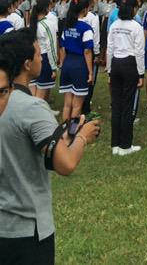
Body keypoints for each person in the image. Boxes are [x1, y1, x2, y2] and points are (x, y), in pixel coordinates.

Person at [0, 30, 100, 262]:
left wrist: (63, 137)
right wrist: (83, 136)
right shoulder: (31, 107)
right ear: (27, 64)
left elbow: (34, 147)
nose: (42, 58)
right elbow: (65, 164)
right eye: (38, 53)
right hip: (27, 231)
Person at [106, 0, 145, 156]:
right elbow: (139, 52)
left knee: (117, 104)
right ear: (133, 8)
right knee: (127, 105)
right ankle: (125, 146)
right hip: (130, 65)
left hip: (115, 63)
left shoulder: (114, 25)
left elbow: (109, 49)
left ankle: (115, 144)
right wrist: (141, 74)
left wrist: (109, 70)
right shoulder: (136, 27)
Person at [58, 0, 94, 122]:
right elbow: (87, 51)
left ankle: (63, 131)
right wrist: (90, 72)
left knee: (67, 104)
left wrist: (63, 63)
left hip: (67, 63)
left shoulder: (67, 25)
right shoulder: (86, 28)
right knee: (77, 105)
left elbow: (62, 48)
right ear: (84, 9)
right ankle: (72, 133)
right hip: (79, 65)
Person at [27, 0, 58, 101]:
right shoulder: (48, 24)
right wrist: (54, 67)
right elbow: (51, 47)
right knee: (41, 95)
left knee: (33, 92)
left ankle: (32, 114)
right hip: (44, 59)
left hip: (32, 58)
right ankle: (36, 116)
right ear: (47, 7)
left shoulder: (30, 24)